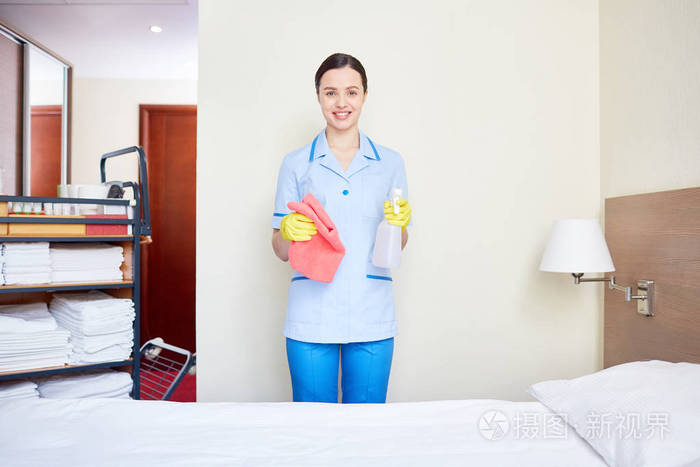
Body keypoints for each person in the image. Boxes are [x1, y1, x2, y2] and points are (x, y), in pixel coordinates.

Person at [271, 53, 411, 404]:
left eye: (351, 92)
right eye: (330, 92)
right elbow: (280, 250)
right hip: (311, 311)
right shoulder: (295, 163)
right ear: (318, 96)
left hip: (371, 309)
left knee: (366, 421)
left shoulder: (390, 163)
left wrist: (400, 227)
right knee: (311, 421)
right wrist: (287, 230)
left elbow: (397, 243)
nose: (341, 102)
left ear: (365, 95)